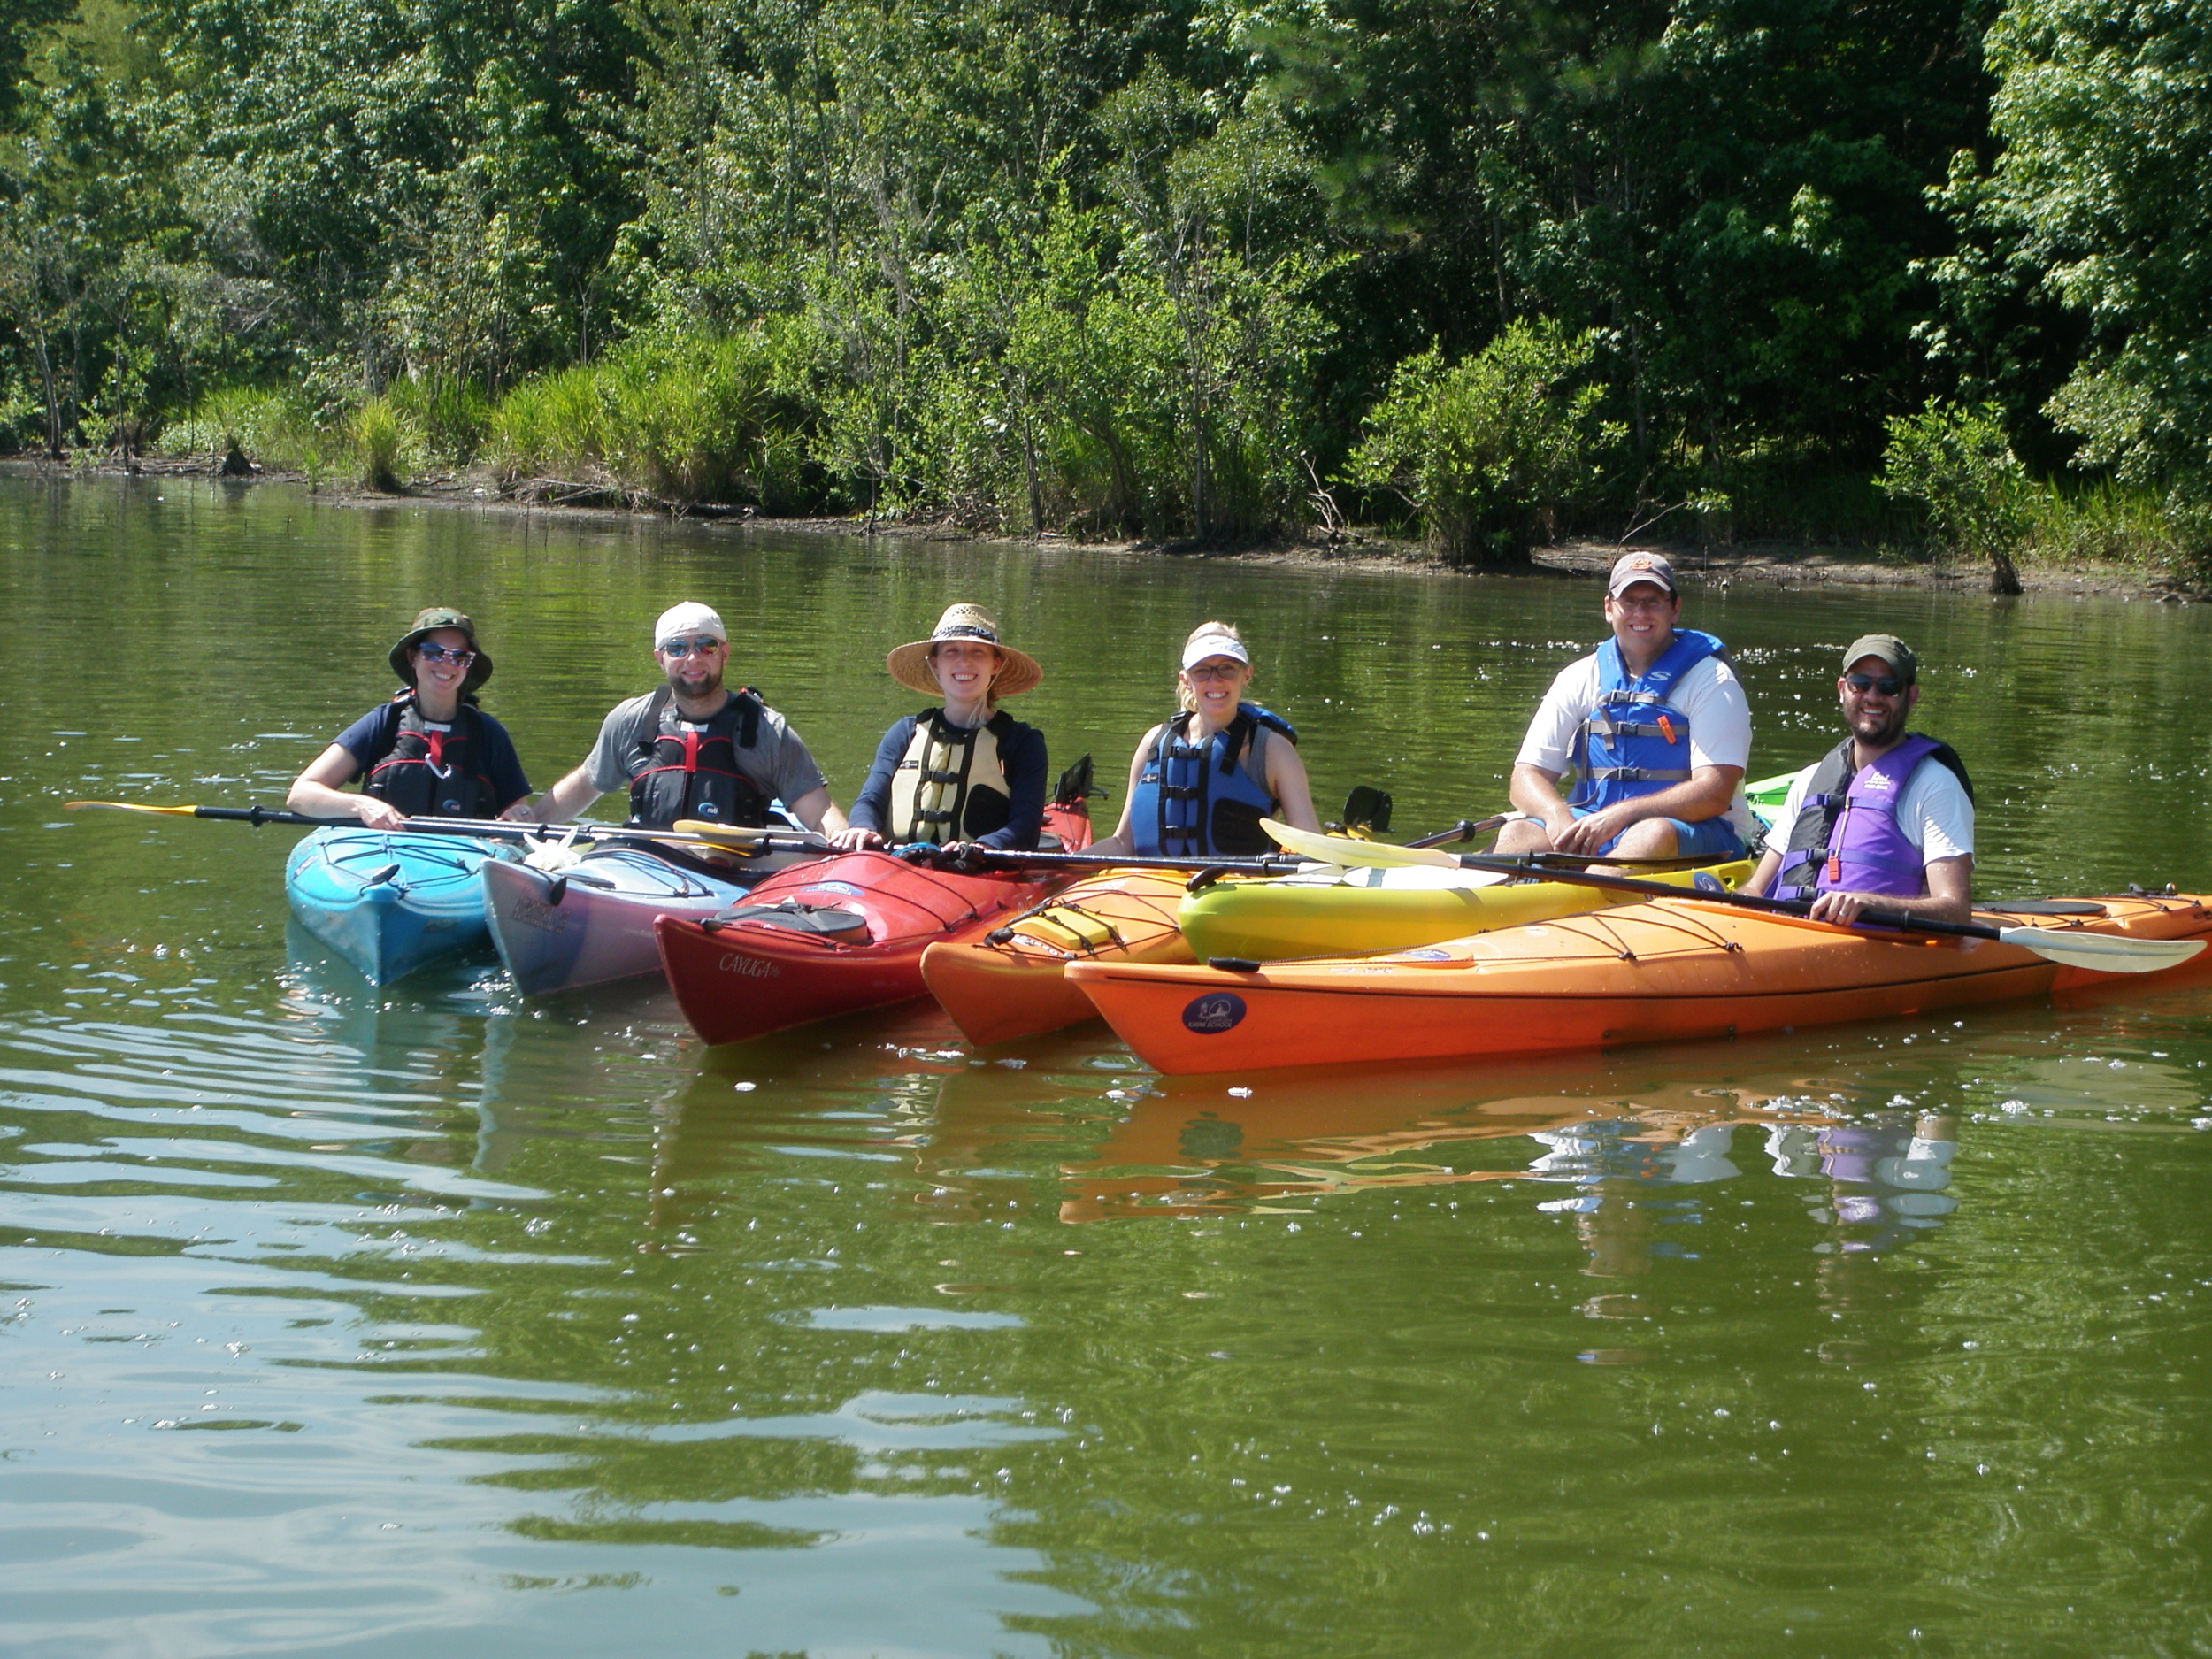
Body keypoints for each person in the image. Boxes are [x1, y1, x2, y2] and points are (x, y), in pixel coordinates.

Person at [1494, 550, 1756, 862]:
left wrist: (1623, 814)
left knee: (1650, 835)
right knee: (1516, 834)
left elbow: (1714, 793)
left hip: (1695, 830)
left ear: (1675, 609)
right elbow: (1526, 776)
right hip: (1593, 819)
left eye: (1653, 602)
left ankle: (1593, 884)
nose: (1640, 613)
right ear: (1609, 608)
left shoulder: (1713, 681)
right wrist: (1556, 815)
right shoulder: (1578, 677)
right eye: (1629, 601)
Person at [531, 602, 848, 833]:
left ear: (724, 653)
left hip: (735, 871)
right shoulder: (629, 721)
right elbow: (586, 783)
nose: (693, 658)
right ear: (660, 658)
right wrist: (527, 824)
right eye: (677, 648)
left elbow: (818, 811)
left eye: (706, 646)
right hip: (649, 867)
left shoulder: (768, 730)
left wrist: (845, 838)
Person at [1747, 633, 1974, 924]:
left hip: (1876, 942)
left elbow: (1955, 910)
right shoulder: (1809, 781)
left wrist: (1871, 904)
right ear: (1843, 689)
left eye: (1889, 687)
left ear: (1911, 696)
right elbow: (1756, 889)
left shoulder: (1935, 786)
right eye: (1860, 684)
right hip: (1789, 934)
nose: (1873, 696)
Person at [1087, 621, 1322, 859]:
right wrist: (1066, 865)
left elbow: (1311, 849)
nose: (1215, 680)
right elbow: (1122, 843)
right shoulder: (1153, 743)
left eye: (1227, 668)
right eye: (1201, 670)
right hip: (1152, 879)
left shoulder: (1274, 751)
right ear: (1185, 679)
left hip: (1237, 881)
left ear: (1247, 675)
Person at [287, 606, 535, 830]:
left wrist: (517, 816)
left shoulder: (490, 733)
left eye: (460, 657)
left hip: (464, 859)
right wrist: (362, 806)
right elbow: (301, 794)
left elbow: (519, 813)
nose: (447, 664)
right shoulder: (383, 723)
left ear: (468, 665)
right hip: (383, 855)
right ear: (412, 657)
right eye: (433, 652)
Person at [828, 603, 1050, 852]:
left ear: (995, 665)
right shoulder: (904, 733)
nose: (964, 661)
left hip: (980, 866)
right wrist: (862, 827)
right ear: (935, 664)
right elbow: (870, 800)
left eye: (977, 652)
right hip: (897, 861)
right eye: (951, 651)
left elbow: (1025, 828)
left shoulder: (1022, 742)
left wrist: (981, 848)